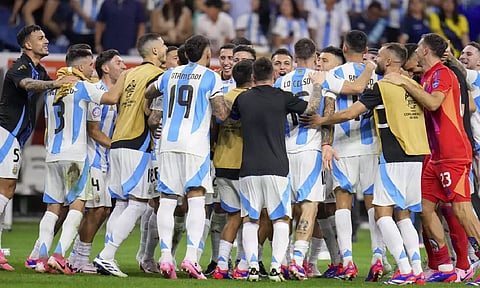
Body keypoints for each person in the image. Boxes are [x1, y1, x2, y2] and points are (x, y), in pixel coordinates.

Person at [302, 42, 429, 285]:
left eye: (379, 56)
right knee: (400, 213)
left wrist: (322, 123)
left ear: (345, 46)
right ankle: (394, 261)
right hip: (406, 154)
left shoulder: (353, 78)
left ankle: (358, 262)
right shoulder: (411, 83)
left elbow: (347, 112)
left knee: (367, 208)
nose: (375, 59)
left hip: (370, 151)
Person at [382, 33, 480, 284]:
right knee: (425, 209)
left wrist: (405, 83)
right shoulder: (426, 76)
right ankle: (445, 265)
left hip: (452, 153)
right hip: (433, 154)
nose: (414, 54)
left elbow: (435, 103)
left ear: (425, 51)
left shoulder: (442, 73)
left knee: (462, 210)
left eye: (418, 50)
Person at [31, 46, 126, 274]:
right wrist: (125, 76)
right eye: (90, 64)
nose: (92, 68)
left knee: (52, 209)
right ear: (81, 66)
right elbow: (112, 97)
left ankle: (41, 259)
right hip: (75, 155)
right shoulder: (83, 86)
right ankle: (59, 255)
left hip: (53, 155)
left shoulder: (51, 91)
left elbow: (46, 127)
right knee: (77, 205)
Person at [230, 57, 324, 282]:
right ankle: (275, 267)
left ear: (252, 77)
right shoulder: (282, 97)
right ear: (273, 75)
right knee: (280, 219)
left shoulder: (243, 99)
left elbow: (229, 117)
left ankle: (252, 265)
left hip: (249, 168)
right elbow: (311, 109)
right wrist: (318, 85)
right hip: (277, 166)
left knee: (250, 219)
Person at [146, 34, 231, 280]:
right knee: (196, 199)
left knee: (168, 199)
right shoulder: (211, 77)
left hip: (168, 144)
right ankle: (191, 258)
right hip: (195, 144)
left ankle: (164, 257)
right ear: (206, 53)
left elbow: (150, 92)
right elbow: (222, 115)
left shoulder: (170, 74)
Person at [0, 24, 76, 271]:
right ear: (27, 45)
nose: (46, 40)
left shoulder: (40, 70)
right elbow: (28, 85)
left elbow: (50, 86)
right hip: (6, 134)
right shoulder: (19, 66)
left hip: (14, 138)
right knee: (6, 190)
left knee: (5, 191)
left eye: (45, 36)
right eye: (40, 38)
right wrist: (55, 84)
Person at [93, 33, 167, 278]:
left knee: (121, 203)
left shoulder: (128, 73)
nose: (165, 48)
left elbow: (112, 99)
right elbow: (150, 112)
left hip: (118, 141)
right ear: (155, 51)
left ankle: (105, 256)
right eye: (163, 45)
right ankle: (106, 255)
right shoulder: (158, 76)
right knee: (138, 203)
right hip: (138, 142)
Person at [67, 49, 126, 274]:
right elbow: (93, 130)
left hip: (108, 160)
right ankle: (79, 258)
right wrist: (116, 145)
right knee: (96, 209)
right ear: (105, 68)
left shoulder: (117, 94)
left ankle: (75, 256)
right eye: (118, 63)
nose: (123, 66)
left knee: (102, 210)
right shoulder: (96, 91)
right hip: (93, 158)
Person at [273, 38, 324, 281]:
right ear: (315, 56)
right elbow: (328, 113)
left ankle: (281, 260)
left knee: (284, 209)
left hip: (283, 150)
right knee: (309, 205)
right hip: (309, 150)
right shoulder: (321, 77)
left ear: (294, 58)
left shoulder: (281, 81)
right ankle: (297, 261)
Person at [211, 59, 254, 280]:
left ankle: (221, 265)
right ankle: (243, 265)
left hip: (221, 161)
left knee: (233, 217)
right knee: (251, 218)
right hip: (244, 164)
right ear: (253, 77)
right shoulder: (251, 99)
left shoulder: (224, 97)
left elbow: (213, 128)